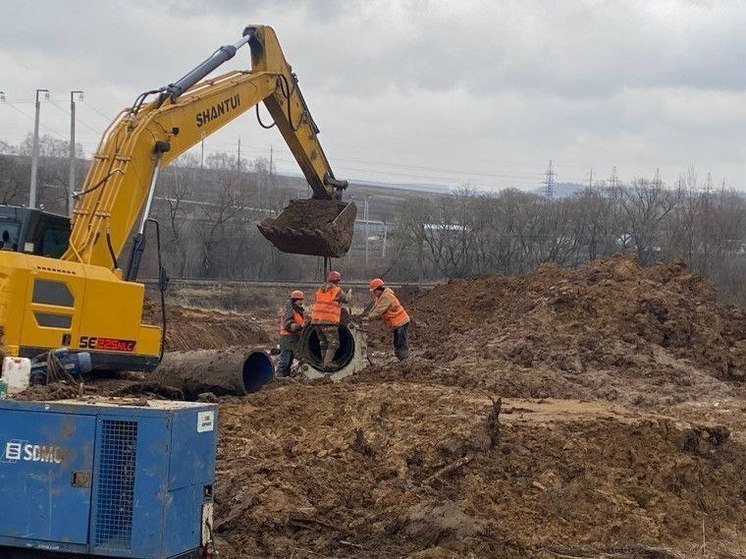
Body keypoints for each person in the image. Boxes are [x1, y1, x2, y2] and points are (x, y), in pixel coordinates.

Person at [310, 270, 350, 367]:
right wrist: (349, 293)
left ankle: (323, 362)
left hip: (316, 320)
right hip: (328, 320)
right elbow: (347, 300)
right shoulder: (337, 290)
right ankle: (327, 363)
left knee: (323, 342)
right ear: (337, 281)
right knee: (334, 343)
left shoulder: (320, 290)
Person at [366, 278, 410, 361]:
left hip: (401, 322)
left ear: (379, 289)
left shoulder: (387, 297)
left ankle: (404, 359)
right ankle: (401, 359)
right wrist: (367, 315)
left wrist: (367, 318)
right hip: (396, 324)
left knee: (401, 342)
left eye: (374, 291)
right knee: (396, 342)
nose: (373, 293)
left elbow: (379, 311)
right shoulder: (380, 297)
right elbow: (375, 308)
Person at [277, 290, 306, 377]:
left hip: (293, 339)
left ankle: (285, 378)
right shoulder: (290, 310)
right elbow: (288, 326)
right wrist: (301, 326)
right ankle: (279, 378)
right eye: (299, 300)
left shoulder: (297, 310)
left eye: (302, 299)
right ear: (294, 301)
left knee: (288, 361)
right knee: (284, 362)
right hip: (287, 339)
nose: (301, 302)